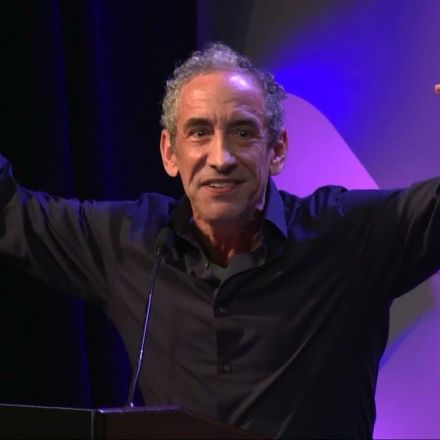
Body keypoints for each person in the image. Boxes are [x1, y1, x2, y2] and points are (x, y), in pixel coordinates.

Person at [1, 42, 440, 439]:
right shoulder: (128, 242)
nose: (221, 158)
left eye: (243, 133)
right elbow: (11, 215)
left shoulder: (348, 235)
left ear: (277, 150)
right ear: (170, 153)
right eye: (199, 132)